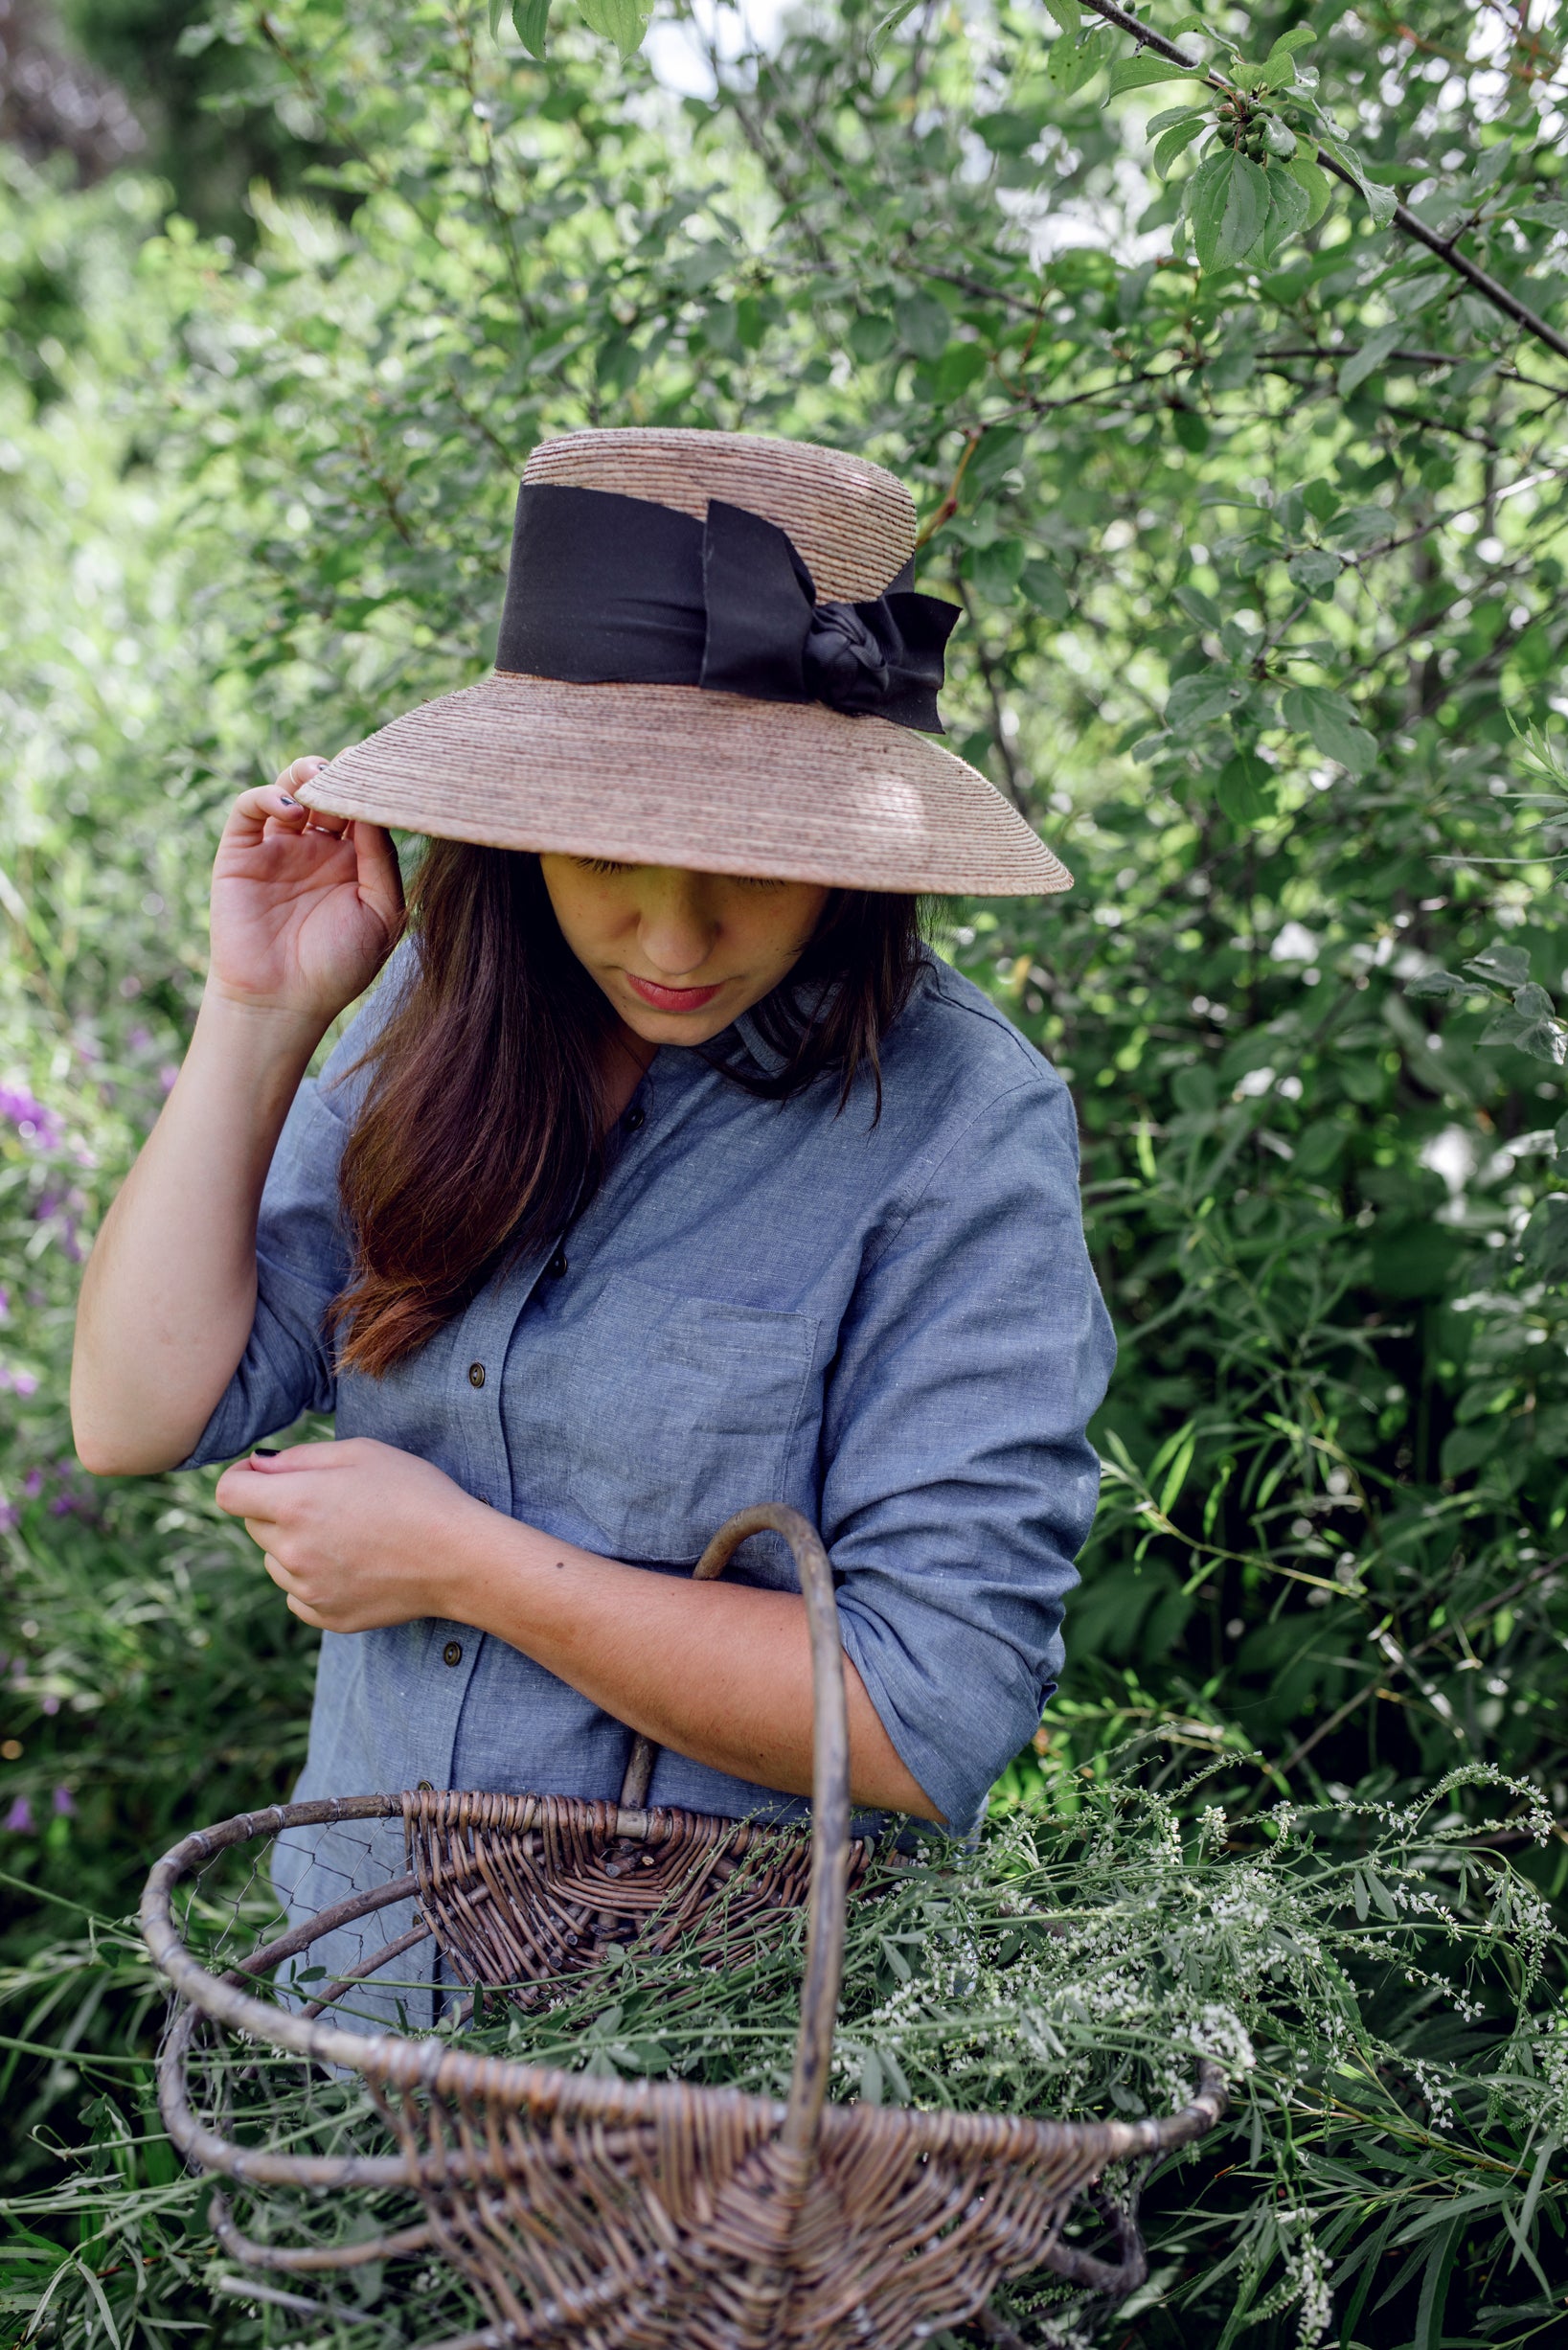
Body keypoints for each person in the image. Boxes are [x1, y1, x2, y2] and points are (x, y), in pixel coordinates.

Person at [72, 427, 1113, 1928]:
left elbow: (916, 1715)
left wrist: (464, 1565)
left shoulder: (957, 1125)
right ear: (522, 828)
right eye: (610, 855)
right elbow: (135, 1408)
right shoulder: (444, 1003)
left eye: (749, 863)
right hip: (356, 1995)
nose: (672, 942)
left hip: (712, 2085)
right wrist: (260, 1016)